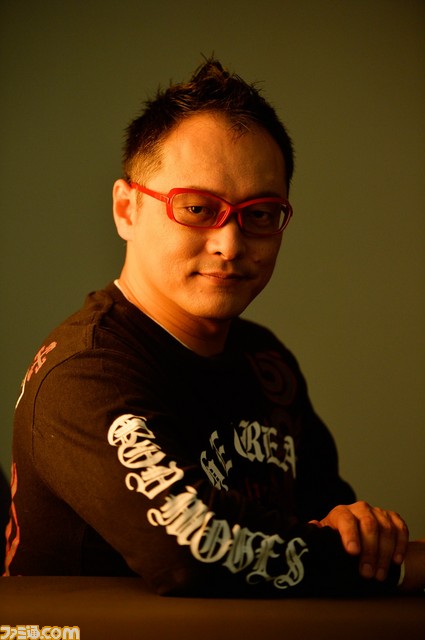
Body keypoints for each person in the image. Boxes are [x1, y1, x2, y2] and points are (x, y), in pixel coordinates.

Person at [4, 59, 424, 596]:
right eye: (198, 208)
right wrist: (402, 568)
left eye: (260, 214)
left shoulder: (266, 361)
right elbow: (190, 551)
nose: (230, 244)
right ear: (127, 210)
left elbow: (334, 524)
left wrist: (360, 531)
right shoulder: (84, 374)